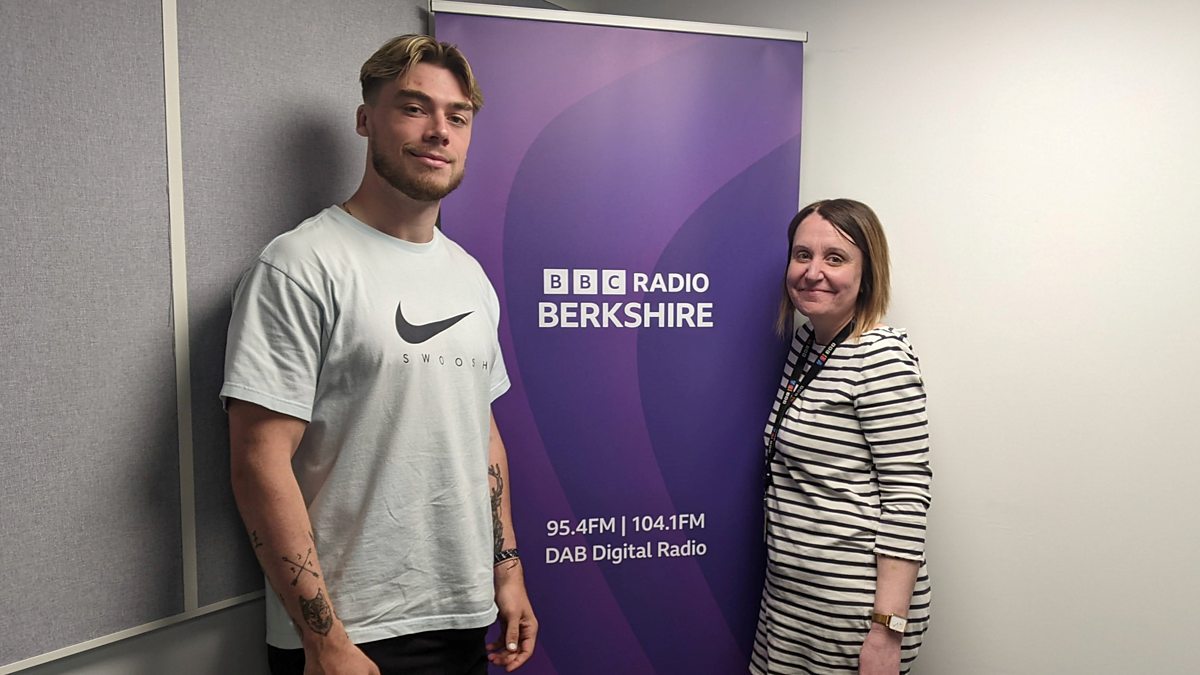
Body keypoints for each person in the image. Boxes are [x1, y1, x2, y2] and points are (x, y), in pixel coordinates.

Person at [222, 35, 537, 675]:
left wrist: (506, 569)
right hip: (351, 634)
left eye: (458, 116)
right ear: (366, 119)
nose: (438, 131)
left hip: (463, 614)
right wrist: (324, 640)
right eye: (414, 107)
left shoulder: (470, 277)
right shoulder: (301, 265)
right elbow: (258, 462)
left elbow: (482, 435)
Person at [752, 199, 932, 674]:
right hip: (792, 599)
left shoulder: (880, 360)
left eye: (835, 258)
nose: (813, 272)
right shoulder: (808, 345)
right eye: (802, 255)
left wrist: (885, 632)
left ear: (866, 271)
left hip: (853, 611)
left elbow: (907, 495)